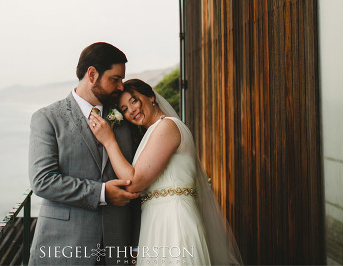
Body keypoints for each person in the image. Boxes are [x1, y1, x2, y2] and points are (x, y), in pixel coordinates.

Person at [88, 79, 242, 266]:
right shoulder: (153, 132)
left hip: (174, 220)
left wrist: (109, 141)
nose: (132, 110)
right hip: (156, 220)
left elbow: (134, 181)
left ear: (151, 97)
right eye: (124, 109)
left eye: (134, 101)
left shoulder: (167, 126)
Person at [28, 42, 141, 265]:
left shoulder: (124, 119)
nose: (120, 87)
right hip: (63, 246)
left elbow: (136, 179)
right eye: (115, 79)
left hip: (116, 248)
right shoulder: (47, 118)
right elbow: (42, 181)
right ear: (92, 74)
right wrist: (101, 193)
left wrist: (137, 243)